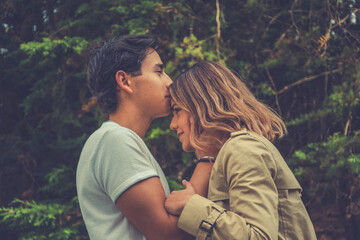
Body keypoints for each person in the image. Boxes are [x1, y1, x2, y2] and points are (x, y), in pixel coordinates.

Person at [165, 61, 317, 240]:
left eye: (177, 111)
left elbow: (258, 236)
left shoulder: (242, 149)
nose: (172, 125)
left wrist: (190, 206)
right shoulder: (229, 152)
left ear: (201, 107)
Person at [76, 34, 198, 240]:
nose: (170, 82)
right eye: (159, 72)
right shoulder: (114, 141)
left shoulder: (118, 140)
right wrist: (211, 156)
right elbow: (167, 234)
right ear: (125, 81)